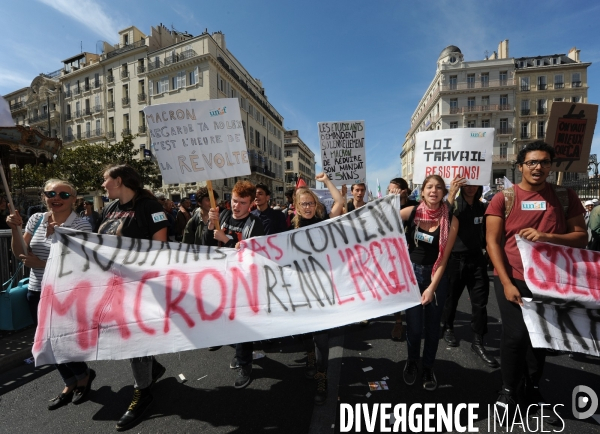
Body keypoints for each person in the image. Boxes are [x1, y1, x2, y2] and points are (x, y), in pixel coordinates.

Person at [485, 142, 586, 417]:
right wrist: (505, 282)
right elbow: (492, 242)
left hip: (550, 281)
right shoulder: (503, 198)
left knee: (540, 338)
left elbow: (581, 237)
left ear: (551, 166)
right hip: (513, 276)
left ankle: (532, 387)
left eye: (544, 162)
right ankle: (508, 389)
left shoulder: (565, 196)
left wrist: (547, 237)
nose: (538, 167)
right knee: (515, 336)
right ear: (520, 167)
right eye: (531, 162)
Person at [6, 179, 96, 410]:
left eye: (64, 195)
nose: (56, 198)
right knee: (46, 342)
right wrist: (16, 229)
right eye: (51, 193)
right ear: (44, 197)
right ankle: (69, 381)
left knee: (63, 340)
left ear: (74, 199)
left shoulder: (81, 226)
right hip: (36, 290)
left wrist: (42, 263)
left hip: (65, 292)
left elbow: (81, 264)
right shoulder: (36, 219)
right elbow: (20, 253)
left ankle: (82, 376)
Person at [98, 164, 169, 431]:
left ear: (118, 180)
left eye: (105, 180)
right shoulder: (109, 209)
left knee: (134, 340)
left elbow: (160, 248)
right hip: (114, 285)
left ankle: (143, 391)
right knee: (124, 336)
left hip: (141, 286)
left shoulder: (149, 207)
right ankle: (151, 368)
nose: (103, 185)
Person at [399, 174, 459, 391]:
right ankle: (412, 361)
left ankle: (427, 366)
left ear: (444, 192)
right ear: (422, 191)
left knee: (432, 328)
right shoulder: (412, 212)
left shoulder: (451, 219)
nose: (434, 191)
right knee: (414, 329)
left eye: (439, 187)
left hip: (436, 278)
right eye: (429, 187)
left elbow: (443, 258)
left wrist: (432, 288)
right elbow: (382, 222)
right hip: (411, 276)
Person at [203, 180, 265, 389]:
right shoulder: (224, 216)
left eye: (242, 203)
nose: (236, 206)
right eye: (234, 201)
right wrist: (211, 226)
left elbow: (252, 256)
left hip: (243, 282)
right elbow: (207, 244)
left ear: (251, 205)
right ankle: (235, 350)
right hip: (221, 277)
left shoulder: (255, 225)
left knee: (242, 324)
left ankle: (245, 363)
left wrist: (227, 240)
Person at [292, 173, 345, 405]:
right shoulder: (289, 230)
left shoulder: (323, 223)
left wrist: (326, 182)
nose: (307, 207)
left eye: (311, 203)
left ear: (315, 204)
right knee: (305, 332)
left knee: (322, 338)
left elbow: (340, 203)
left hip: (323, 288)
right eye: (303, 203)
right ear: (297, 207)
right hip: (300, 289)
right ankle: (310, 355)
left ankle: (322, 375)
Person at [441, 177, 498, 368]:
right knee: (451, 299)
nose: (471, 188)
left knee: (480, 304)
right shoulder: (454, 205)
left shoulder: (484, 208)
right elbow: (442, 218)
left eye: (475, 184)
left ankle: (478, 341)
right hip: (455, 261)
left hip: (477, 261)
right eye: (467, 184)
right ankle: (448, 327)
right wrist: (451, 193)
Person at [387, 177, 419, 340]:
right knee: (397, 288)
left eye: (394, 189)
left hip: (413, 253)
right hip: (394, 254)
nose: (390, 192)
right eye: (389, 190)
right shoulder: (387, 206)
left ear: (404, 190)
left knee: (414, 287)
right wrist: (393, 200)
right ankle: (398, 322)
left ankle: (415, 320)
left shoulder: (415, 206)